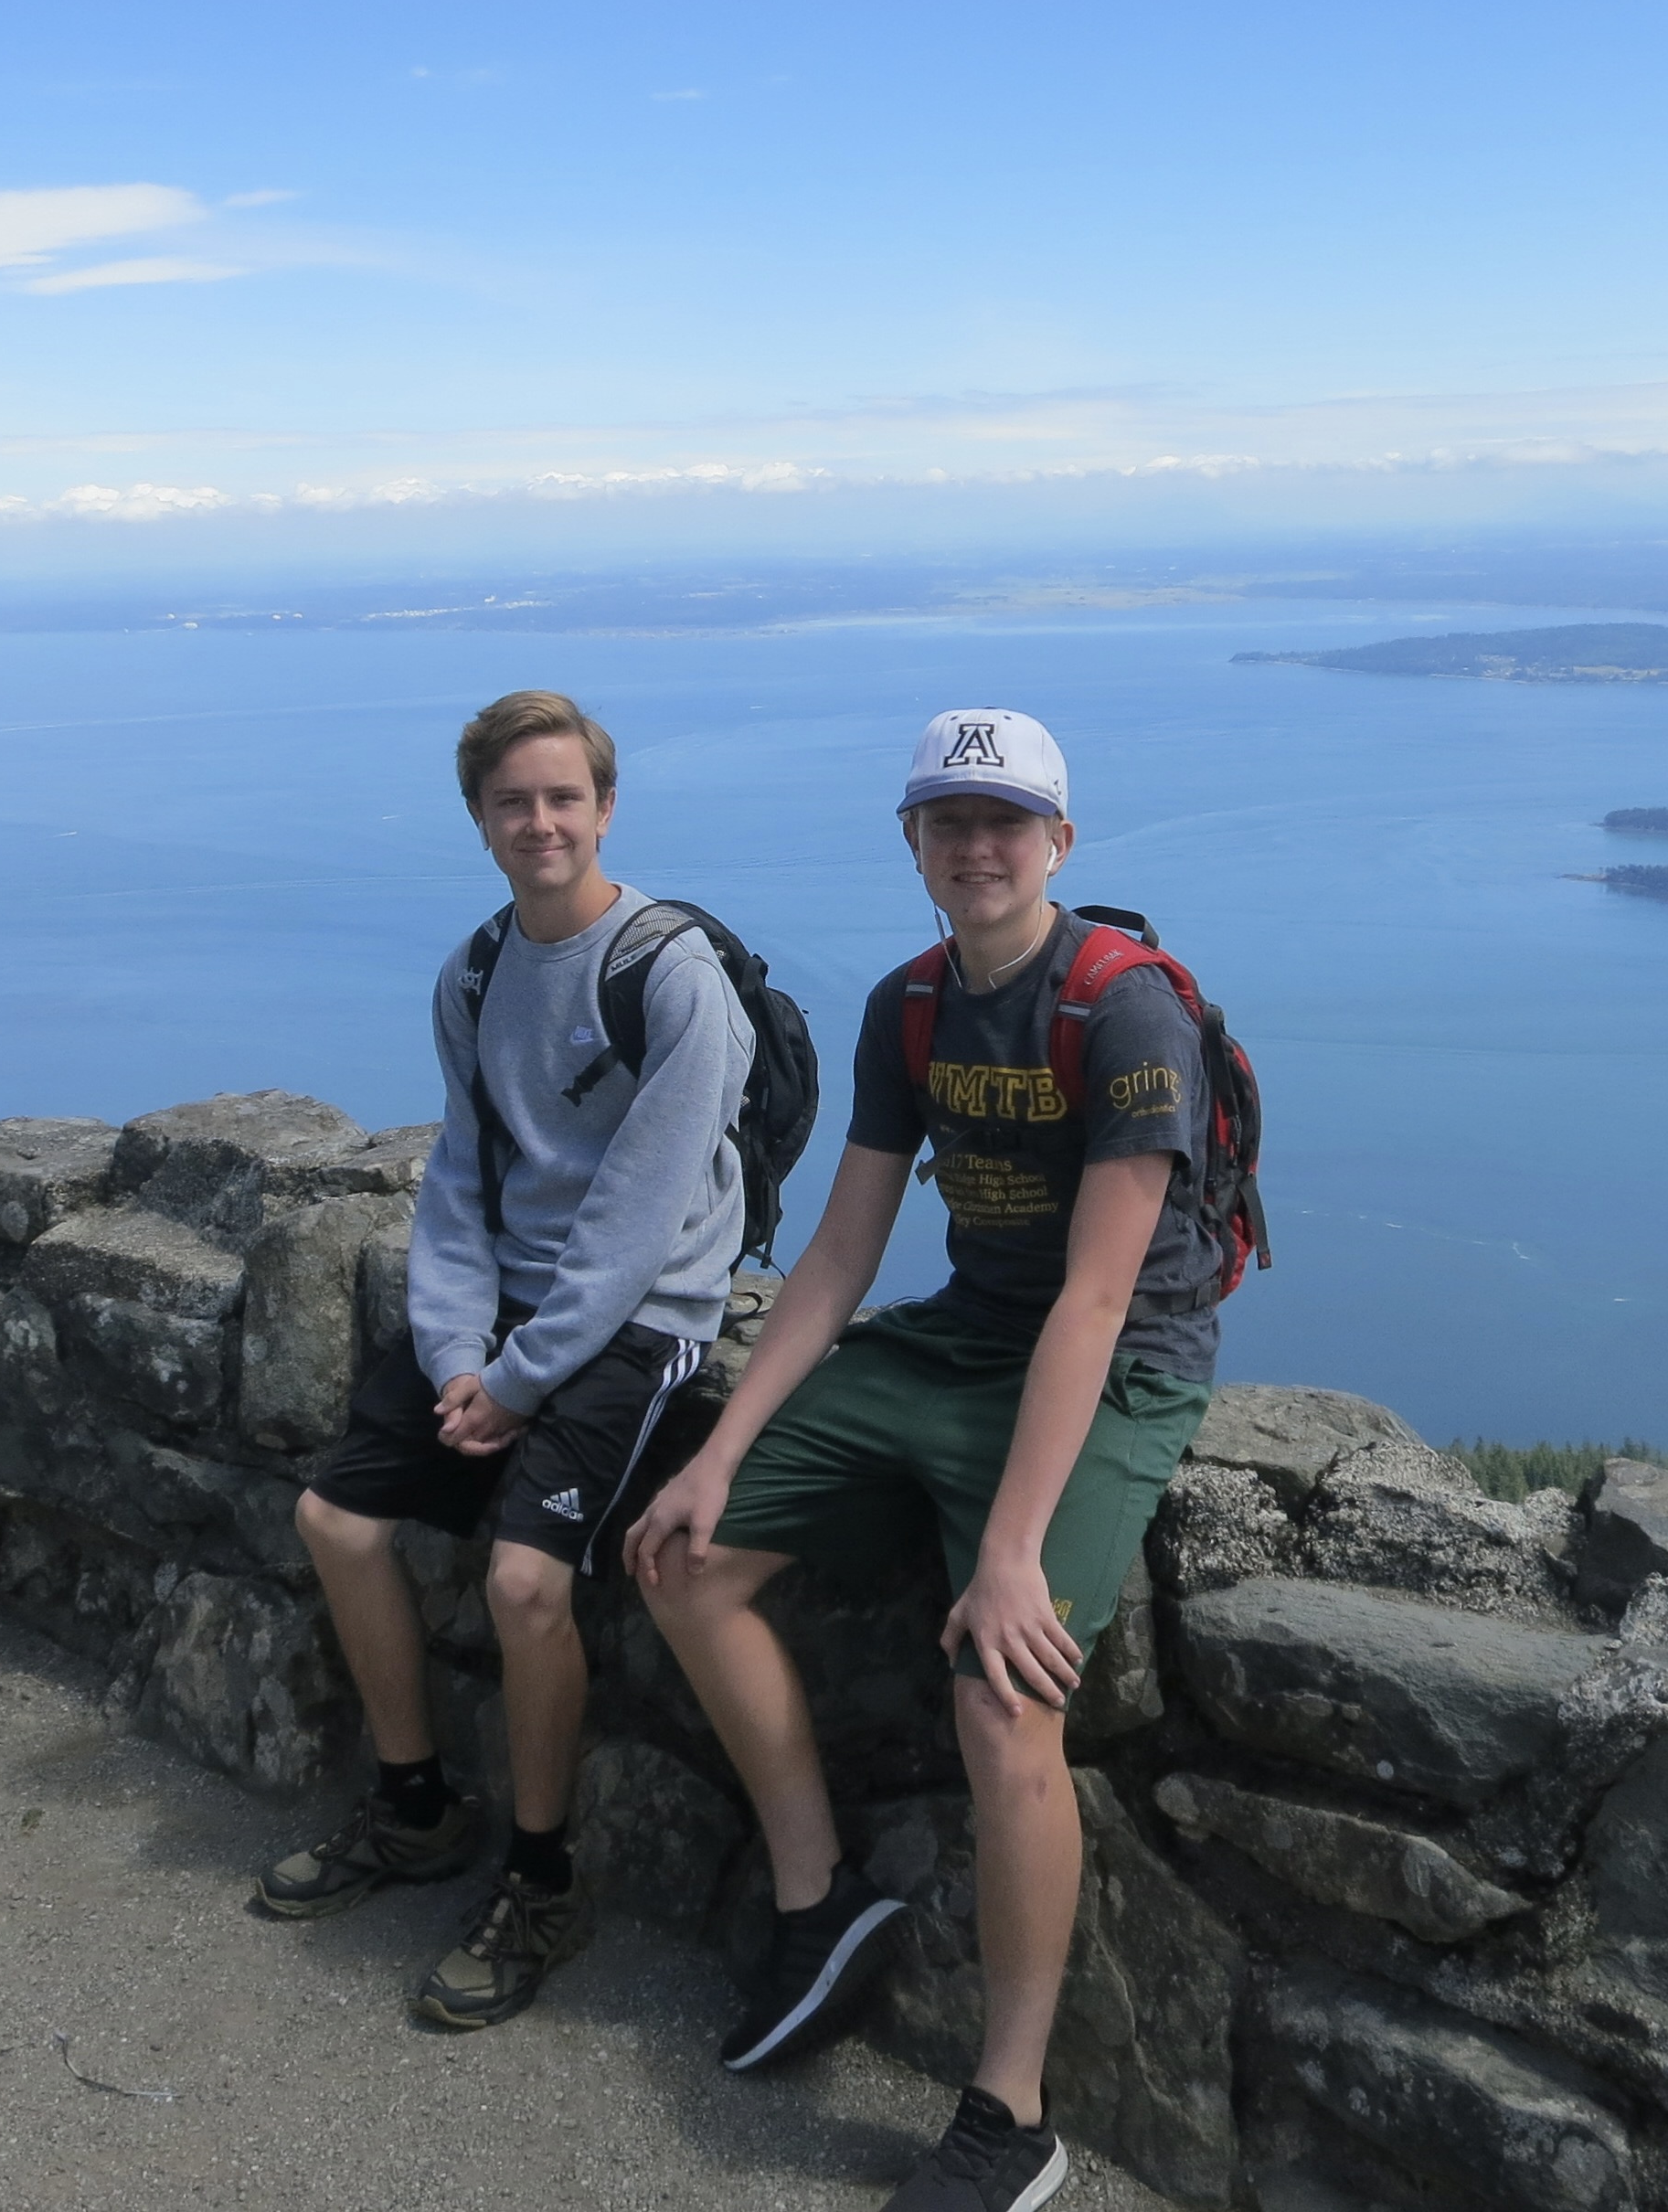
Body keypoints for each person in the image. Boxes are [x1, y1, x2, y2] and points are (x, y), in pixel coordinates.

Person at [627, 707, 1223, 2212]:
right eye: (946, 822)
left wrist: (1013, 1551)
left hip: (1116, 1366)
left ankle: (1009, 2115)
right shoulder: (909, 1007)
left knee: (1003, 1701)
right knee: (683, 1559)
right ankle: (819, 1895)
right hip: (959, 1337)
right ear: (910, 841)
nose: (975, 847)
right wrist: (721, 1456)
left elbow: (1098, 1298)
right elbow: (838, 1249)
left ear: (1059, 846)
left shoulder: (1124, 1012)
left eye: (1003, 822)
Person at [252, 687, 754, 2030]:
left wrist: (520, 1378)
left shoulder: (669, 976)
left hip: (640, 1319)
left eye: (563, 798)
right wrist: (455, 1349)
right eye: (511, 801)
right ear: (478, 819)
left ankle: (542, 1878)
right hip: (505, 1323)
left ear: (603, 806)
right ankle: (414, 1808)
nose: (540, 822)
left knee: (530, 1582)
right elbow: (460, 1182)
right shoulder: (475, 972)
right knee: (336, 1519)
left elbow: (640, 1217)